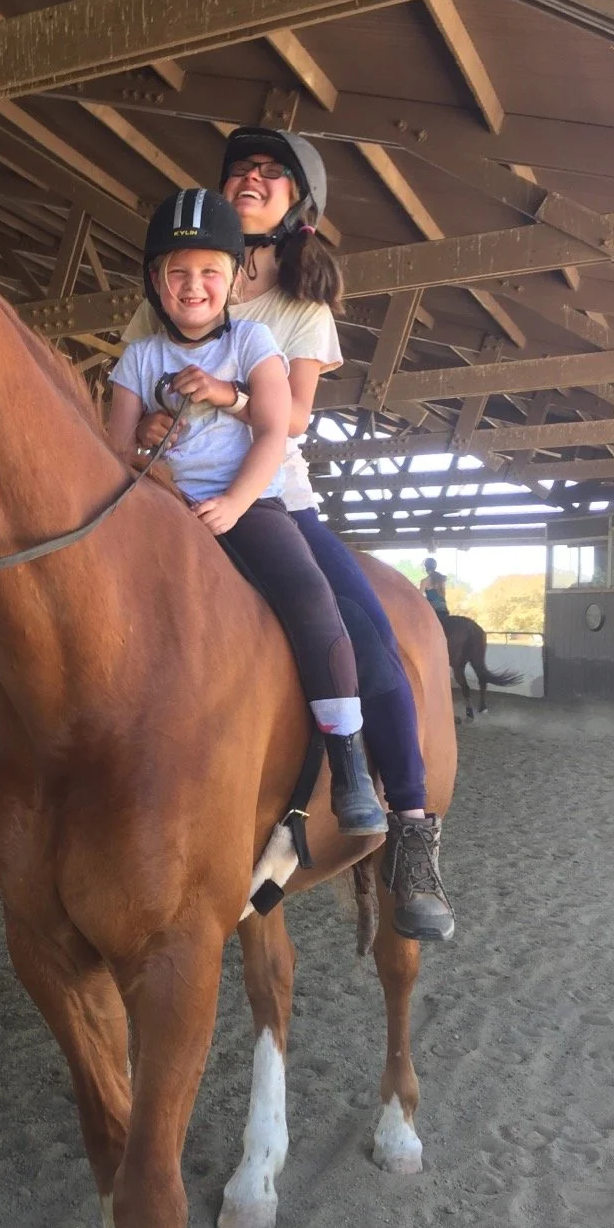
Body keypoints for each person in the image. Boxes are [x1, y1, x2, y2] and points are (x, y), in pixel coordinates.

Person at [127, 130, 454, 943]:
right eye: (242, 167)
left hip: (273, 495)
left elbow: (295, 417)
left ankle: (410, 828)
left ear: (295, 204)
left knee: (371, 639)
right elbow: (137, 380)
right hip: (168, 491)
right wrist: (154, 421)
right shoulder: (176, 282)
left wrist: (225, 394)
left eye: (271, 174)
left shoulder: (295, 305)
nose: (253, 178)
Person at [108, 187, 386, 837]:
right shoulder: (139, 356)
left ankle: (346, 762)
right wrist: (144, 438)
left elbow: (271, 432)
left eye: (209, 272)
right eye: (177, 273)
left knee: (310, 597)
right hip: (159, 504)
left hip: (247, 502)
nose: (193, 285)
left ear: (233, 279)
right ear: (156, 280)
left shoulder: (254, 342)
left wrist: (234, 502)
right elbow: (113, 449)